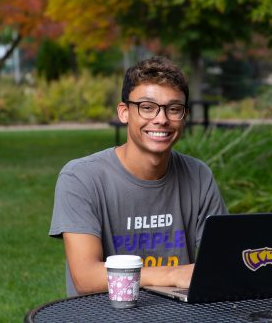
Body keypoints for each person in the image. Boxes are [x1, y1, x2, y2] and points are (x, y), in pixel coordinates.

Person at [49, 56, 228, 296]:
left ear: (184, 116)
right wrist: (174, 275)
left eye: (173, 109)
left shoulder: (198, 175)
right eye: (147, 107)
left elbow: (220, 265)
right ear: (124, 112)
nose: (161, 119)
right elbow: (87, 277)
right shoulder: (81, 178)